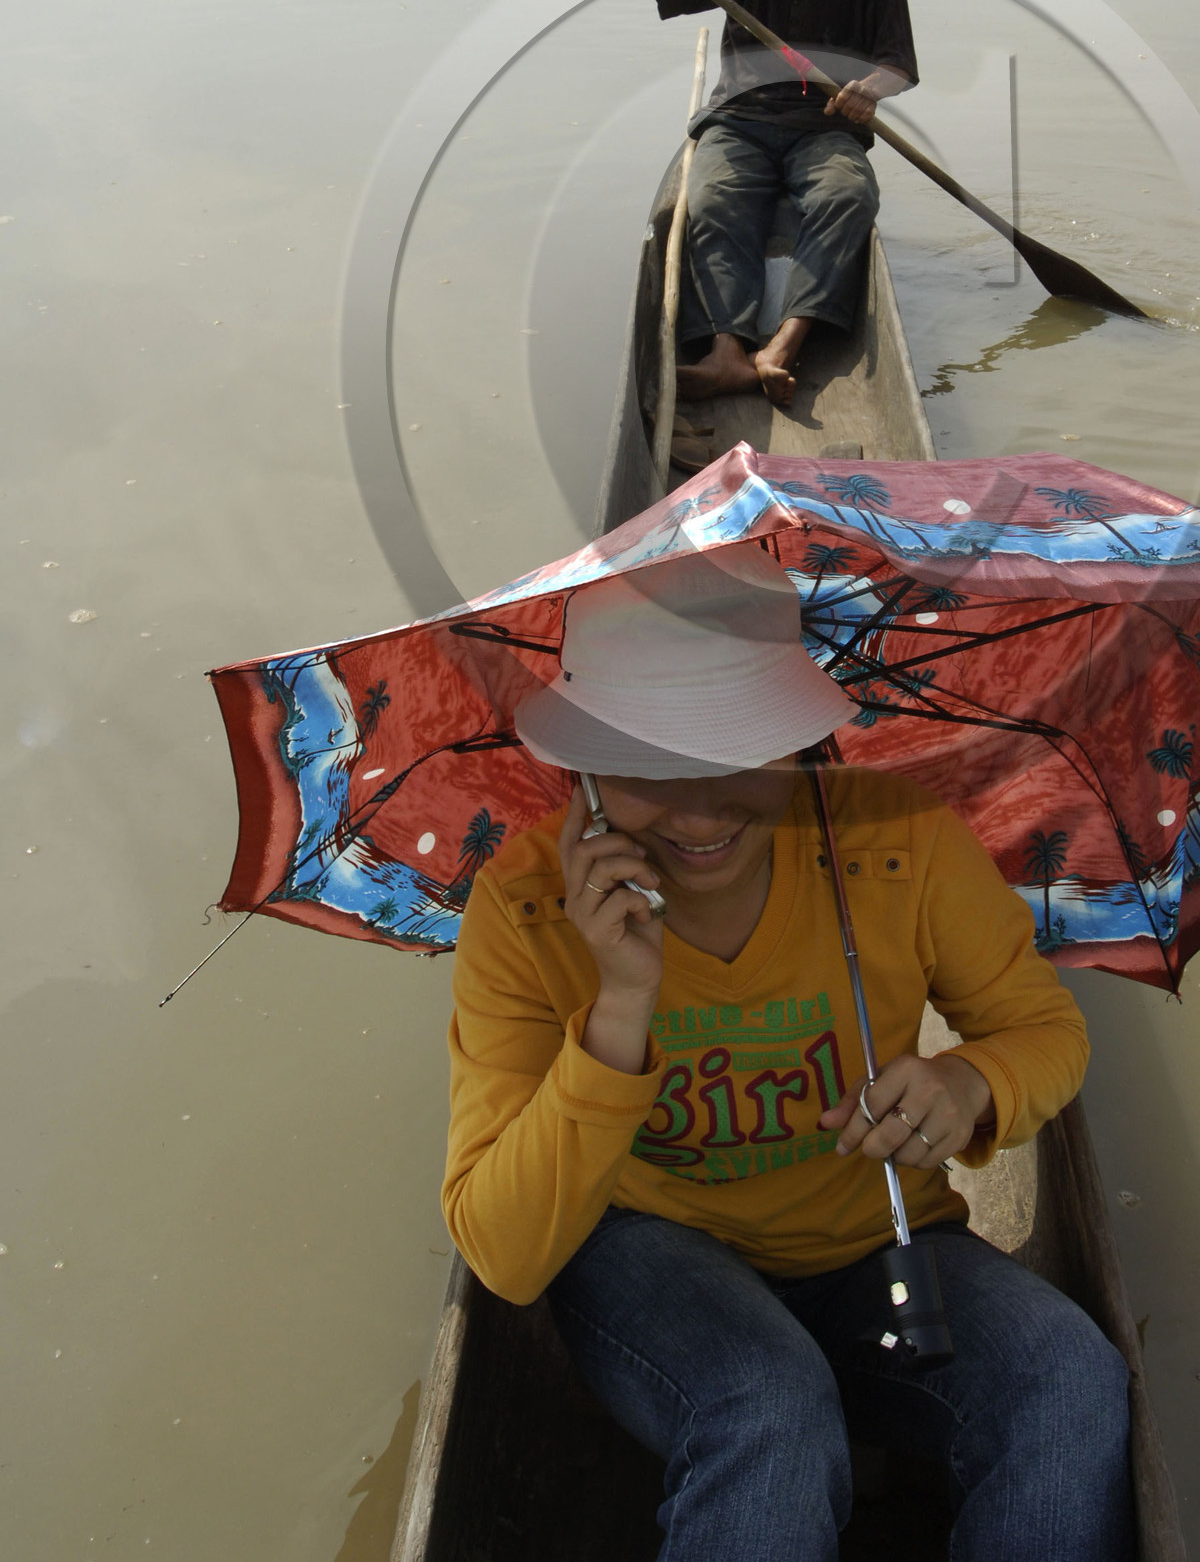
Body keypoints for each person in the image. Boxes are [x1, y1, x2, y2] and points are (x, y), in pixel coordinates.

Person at [443, 544, 1134, 1562]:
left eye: (738, 755)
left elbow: (1045, 1031)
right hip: (652, 1253)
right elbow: (503, 1254)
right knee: (764, 1400)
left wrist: (968, 1082)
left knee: (1067, 1382)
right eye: (647, 767)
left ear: (799, 740)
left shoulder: (897, 840)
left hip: (880, 1246)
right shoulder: (524, 905)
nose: (698, 813)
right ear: (581, 767)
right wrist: (620, 1005)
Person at [558, 0, 919, 407]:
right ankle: (727, 352)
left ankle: (782, 347)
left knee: (847, 196)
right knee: (711, 199)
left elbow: (898, 62)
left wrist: (870, 89)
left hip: (825, 124)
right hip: (740, 118)